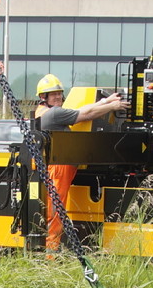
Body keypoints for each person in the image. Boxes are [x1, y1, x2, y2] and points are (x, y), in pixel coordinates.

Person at [33, 74, 129, 254]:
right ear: (43, 97)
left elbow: (80, 110)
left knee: (54, 210)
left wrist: (104, 101)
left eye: (59, 93)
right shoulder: (54, 114)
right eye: (53, 94)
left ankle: (47, 253)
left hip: (54, 167)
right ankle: (50, 256)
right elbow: (85, 114)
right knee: (55, 212)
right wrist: (112, 106)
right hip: (58, 169)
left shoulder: (44, 112)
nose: (58, 97)